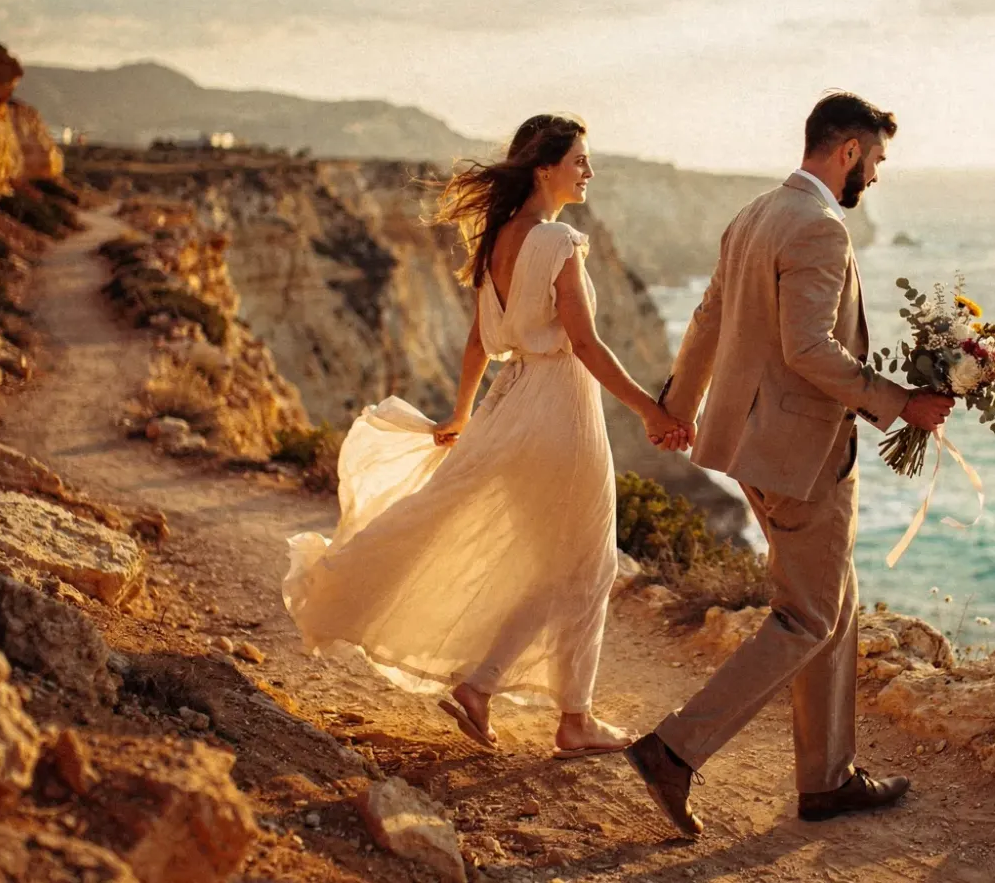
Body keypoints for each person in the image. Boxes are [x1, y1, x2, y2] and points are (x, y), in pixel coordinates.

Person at [284, 113, 692, 759]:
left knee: (560, 566)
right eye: (579, 159)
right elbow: (583, 342)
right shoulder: (557, 240)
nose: (589, 170)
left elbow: (480, 338)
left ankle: (484, 686)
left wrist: (462, 412)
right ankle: (571, 718)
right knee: (588, 563)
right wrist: (650, 409)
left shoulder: (498, 237)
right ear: (544, 167)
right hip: (559, 410)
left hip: (512, 405)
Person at [623, 92, 954, 836]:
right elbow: (810, 350)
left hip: (750, 445)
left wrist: (678, 405)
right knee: (808, 613)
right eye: (875, 160)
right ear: (847, 151)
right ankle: (675, 749)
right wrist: (903, 402)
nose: (875, 175)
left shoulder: (754, 215)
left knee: (833, 598)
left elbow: (709, 317)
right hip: (801, 454)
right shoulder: (819, 229)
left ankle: (826, 777)